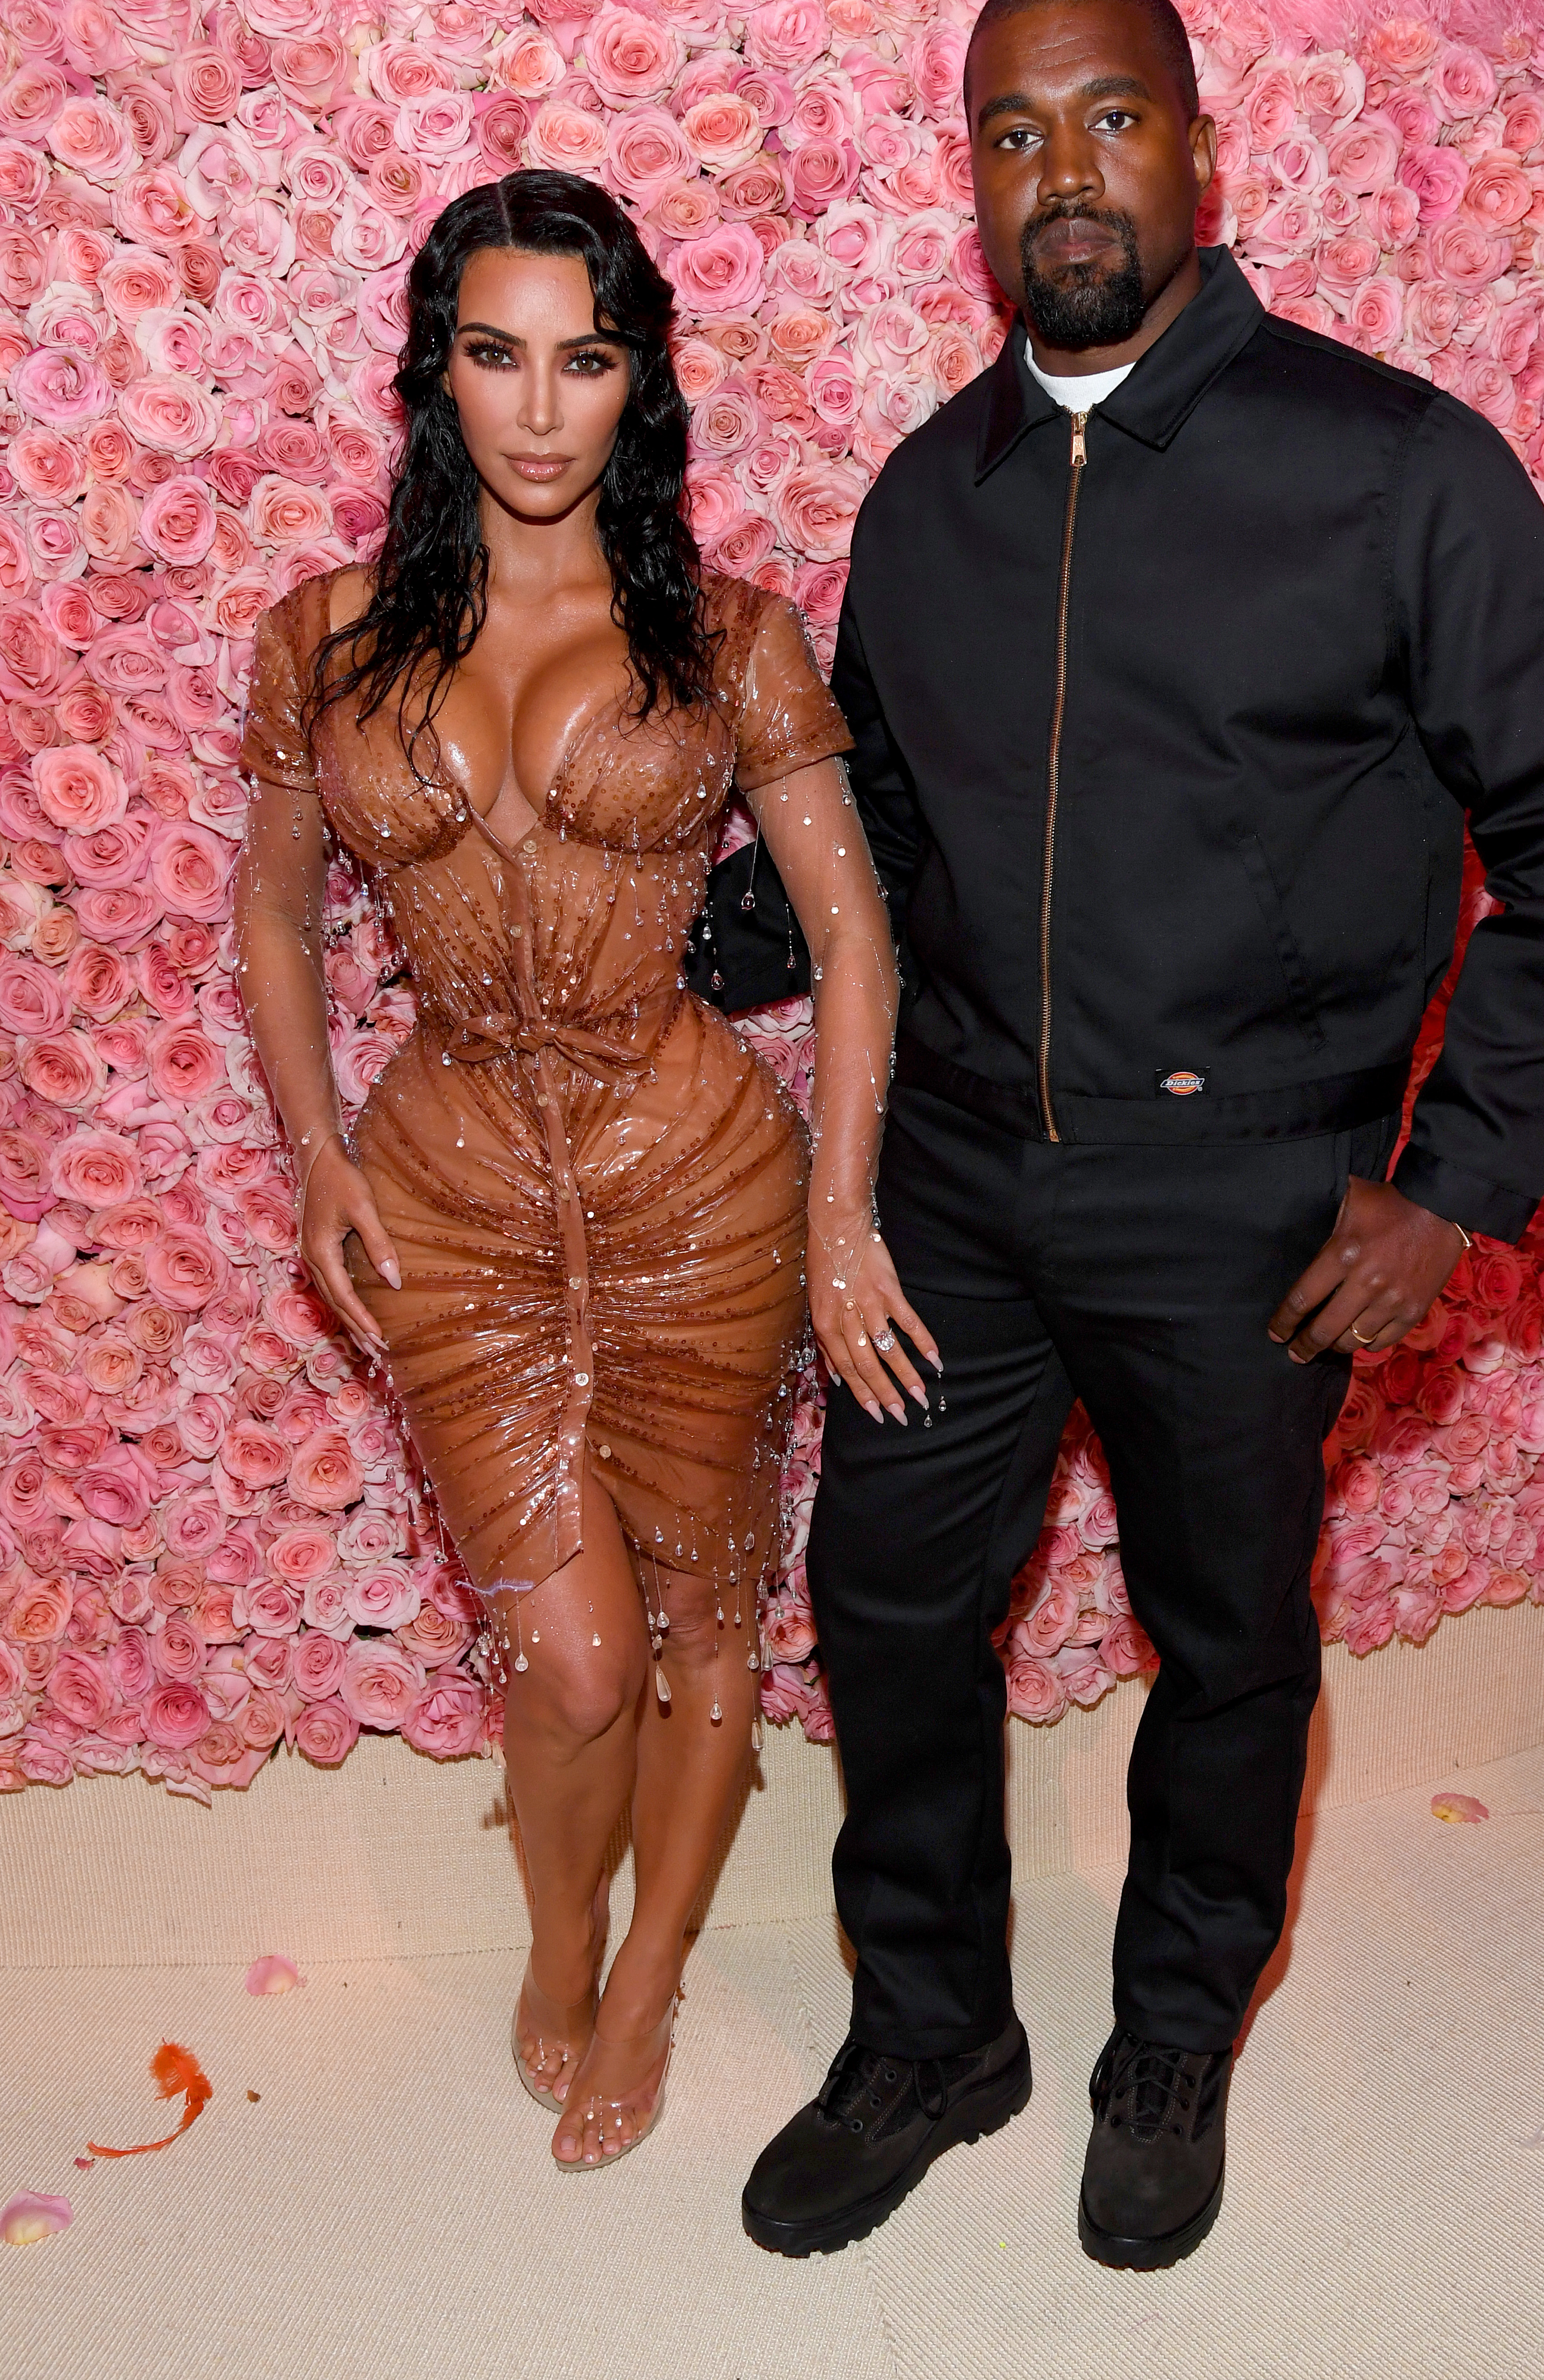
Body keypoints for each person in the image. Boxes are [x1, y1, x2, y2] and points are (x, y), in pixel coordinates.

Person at [740, 0, 1544, 2268]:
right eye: (1012, 132)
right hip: (958, 1170)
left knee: (1230, 1638)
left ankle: (1174, 2034)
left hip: (1245, 1183)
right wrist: (612, 921)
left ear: (1197, 147)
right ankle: (937, 2025)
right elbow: (884, 840)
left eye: (1110, 117)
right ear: (970, 178)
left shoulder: (1390, 462)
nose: (1065, 172)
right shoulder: (928, 497)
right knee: (881, 1606)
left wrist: (1459, 1180)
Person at [235, 173, 922, 2173]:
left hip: (698, 1180)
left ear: (642, 385)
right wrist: (315, 1154)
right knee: (573, 1651)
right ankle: (563, 1941)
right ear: (435, 375)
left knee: (709, 1620)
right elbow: (278, 914)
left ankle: (649, 1978)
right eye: (495, 353)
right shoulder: (325, 642)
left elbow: (853, 931)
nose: (540, 410)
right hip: (446, 1198)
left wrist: (839, 1215)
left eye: (587, 359)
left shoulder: (729, 641)